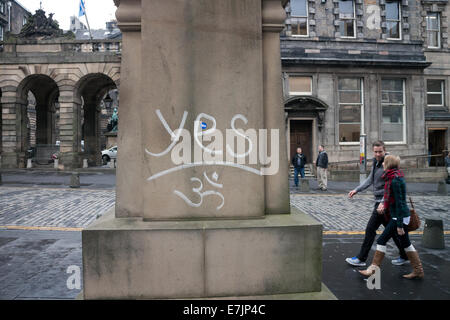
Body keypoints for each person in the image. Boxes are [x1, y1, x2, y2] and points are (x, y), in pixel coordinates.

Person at [359, 155, 424, 279]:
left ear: (388, 164)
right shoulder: (394, 176)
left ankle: (373, 269)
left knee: (381, 240)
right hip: (399, 215)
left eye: (384, 162)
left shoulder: (394, 180)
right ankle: (418, 270)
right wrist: (383, 205)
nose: (382, 164)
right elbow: (393, 199)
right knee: (406, 243)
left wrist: (399, 225)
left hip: (399, 216)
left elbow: (400, 203)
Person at [345, 141, 408, 267]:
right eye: (375, 152)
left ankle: (361, 258)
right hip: (381, 202)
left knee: (370, 229)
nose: (378, 154)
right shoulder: (376, 161)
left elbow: (391, 185)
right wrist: (357, 190)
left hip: (384, 203)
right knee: (394, 231)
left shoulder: (389, 162)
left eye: (380, 151)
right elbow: (370, 179)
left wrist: (383, 202)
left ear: (385, 150)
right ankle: (405, 255)